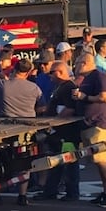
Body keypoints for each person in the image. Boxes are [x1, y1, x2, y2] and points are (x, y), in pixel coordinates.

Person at [0, 59, 44, 205]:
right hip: (26, 131)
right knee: (25, 163)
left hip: (4, 131)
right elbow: (42, 107)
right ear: (28, 72)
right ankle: (22, 195)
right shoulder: (34, 88)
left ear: (14, 69)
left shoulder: (2, 85)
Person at [73, 53, 106, 208]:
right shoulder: (86, 79)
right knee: (97, 161)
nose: (75, 66)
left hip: (99, 124)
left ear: (85, 63)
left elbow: (105, 97)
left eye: (77, 62)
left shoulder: (99, 77)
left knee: (101, 161)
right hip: (89, 123)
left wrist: (84, 97)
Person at [33, 61, 81, 202]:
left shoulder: (68, 87)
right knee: (55, 162)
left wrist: (54, 123)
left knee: (70, 162)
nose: (49, 76)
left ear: (60, 72)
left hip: (67, 134)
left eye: (51, 73)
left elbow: (70, 108)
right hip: (58, 133)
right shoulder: (60, 87)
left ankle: (72, 192)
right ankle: (50, 191)